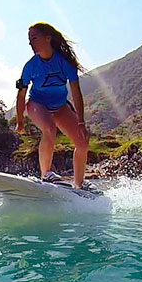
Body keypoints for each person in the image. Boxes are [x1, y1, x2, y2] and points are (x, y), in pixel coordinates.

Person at [15, 22, 90, 190]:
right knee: (49, 129)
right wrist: (20, 120)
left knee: (83, 141)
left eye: (34, 38)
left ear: (47, 38)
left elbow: (76, 93)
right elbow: (21, 95)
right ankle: (46, 174)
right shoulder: (31, 66)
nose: (31, 44)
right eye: (29, 41)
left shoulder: (65, 63)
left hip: (60, 106)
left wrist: (81, 122)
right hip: (37, 104)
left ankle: (79, 185)